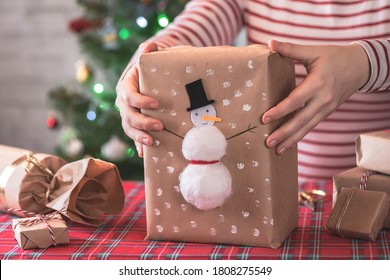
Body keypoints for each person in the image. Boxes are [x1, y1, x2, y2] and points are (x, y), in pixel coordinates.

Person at [116, 0, 390, 182]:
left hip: (381, 189)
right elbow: (193, 27)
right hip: (285, 193)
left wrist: (367, 62)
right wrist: (143, 67)